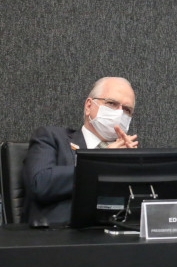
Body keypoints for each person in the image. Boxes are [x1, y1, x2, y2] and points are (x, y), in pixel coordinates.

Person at [23, 77, 138, 226]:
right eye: (111, 103)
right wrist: (101, 162)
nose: (119, 113)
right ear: (89, 106)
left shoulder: (129, 155)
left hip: (115, 237)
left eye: (126, 110)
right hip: (59, 237)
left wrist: (134, 167)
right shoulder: (51, 137)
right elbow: (39, 184)